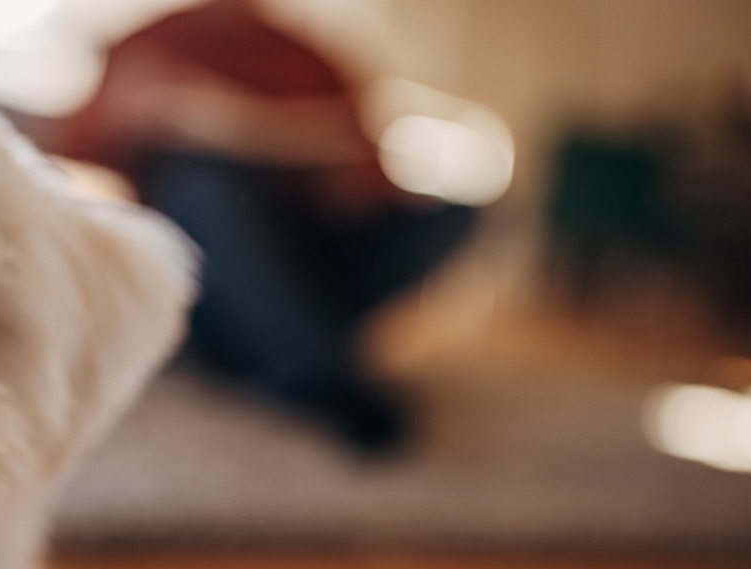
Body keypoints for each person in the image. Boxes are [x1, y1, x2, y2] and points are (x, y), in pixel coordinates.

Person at [51, 0, 475, 452]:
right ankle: (320, 374)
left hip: (303, 244)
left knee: (457, 212)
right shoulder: (151, 45)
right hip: (203, 258)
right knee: (208, 186)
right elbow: (78, 146)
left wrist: (336, 175)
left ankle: (259, 343)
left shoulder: (315, 61)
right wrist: (130, 118)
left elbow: (367, 178)